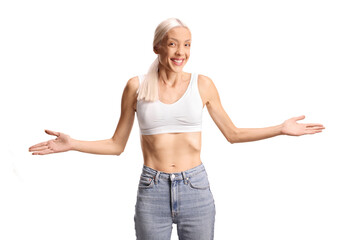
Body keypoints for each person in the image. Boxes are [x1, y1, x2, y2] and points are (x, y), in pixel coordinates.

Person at [29, 18, 325, 240]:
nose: (181, 52)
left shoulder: (203, 84)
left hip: (195, 188)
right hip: (152, 189)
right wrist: (73, 143)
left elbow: (233, 135)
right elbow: (117, 145)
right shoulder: (137, 86)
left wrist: (281, 129)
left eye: (187, 44)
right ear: (158, 46)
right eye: (173, 43)